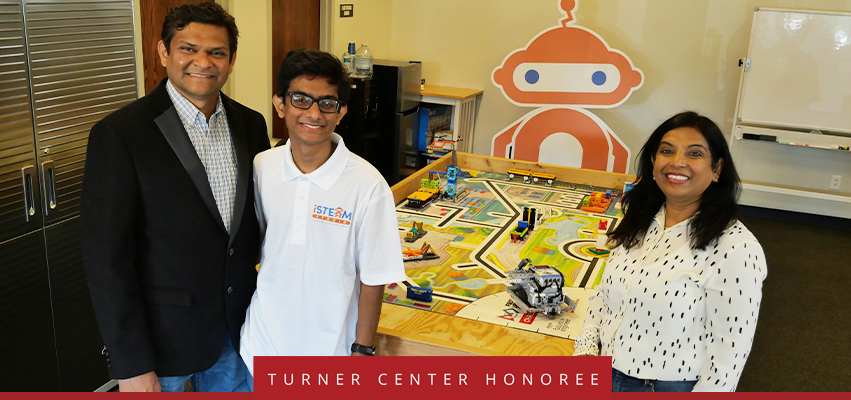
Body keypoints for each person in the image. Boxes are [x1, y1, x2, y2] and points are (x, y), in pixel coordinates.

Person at [81, 2, 270, 392]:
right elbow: (106, 260)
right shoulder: (120, 134)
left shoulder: (252, 124)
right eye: (188, 48)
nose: (202, 61)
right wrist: (130, 364)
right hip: (160, 344)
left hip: (238, 334)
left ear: (231, 60)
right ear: (164, 52)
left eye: (216, 52)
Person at [239, 49, 406, 379]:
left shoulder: (368, 185)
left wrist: (363, 350)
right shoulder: (262, 167)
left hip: (331, 352)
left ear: (341, 111)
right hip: (260, 347)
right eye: (301, 99)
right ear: (280, 103)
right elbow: (252, 247)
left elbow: (374, 278)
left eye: (327, 103)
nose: (314, 113)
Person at [573, 111, 767, 392]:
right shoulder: (640, 219)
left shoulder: (736, 248)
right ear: (653, 162)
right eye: (667, 151)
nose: (677, 162)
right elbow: (607, 294)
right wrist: (587, 347)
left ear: (717, 168)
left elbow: (727, 361)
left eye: (695, 154)